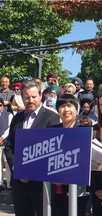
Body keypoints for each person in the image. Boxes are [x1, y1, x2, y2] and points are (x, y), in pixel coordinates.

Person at [4, 79, 60, 216]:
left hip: (42, 184)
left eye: (34, 97)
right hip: (19, 183)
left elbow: (54, 150)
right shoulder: (16, 118)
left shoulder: (52, 118)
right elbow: (9, 147)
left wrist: (32, 172)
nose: (30, 100)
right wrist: (16, 168)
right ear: (22, 97)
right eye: (27, 97)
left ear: (40, 96)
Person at [51, 94, 90, 216]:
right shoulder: (51, 130)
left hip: (77, 192)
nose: (66, 109)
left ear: (76, 109)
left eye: (69, 105)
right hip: (54, 191)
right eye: (62, 106)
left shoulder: (84, 130)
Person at [0, 97, 13, 190]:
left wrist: (2, 137)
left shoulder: (9, 115)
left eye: (0, 105)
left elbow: (9, 128)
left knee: (7, 163)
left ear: (3, 106)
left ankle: (9, 184)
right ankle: (0, 183)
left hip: (6, 143)